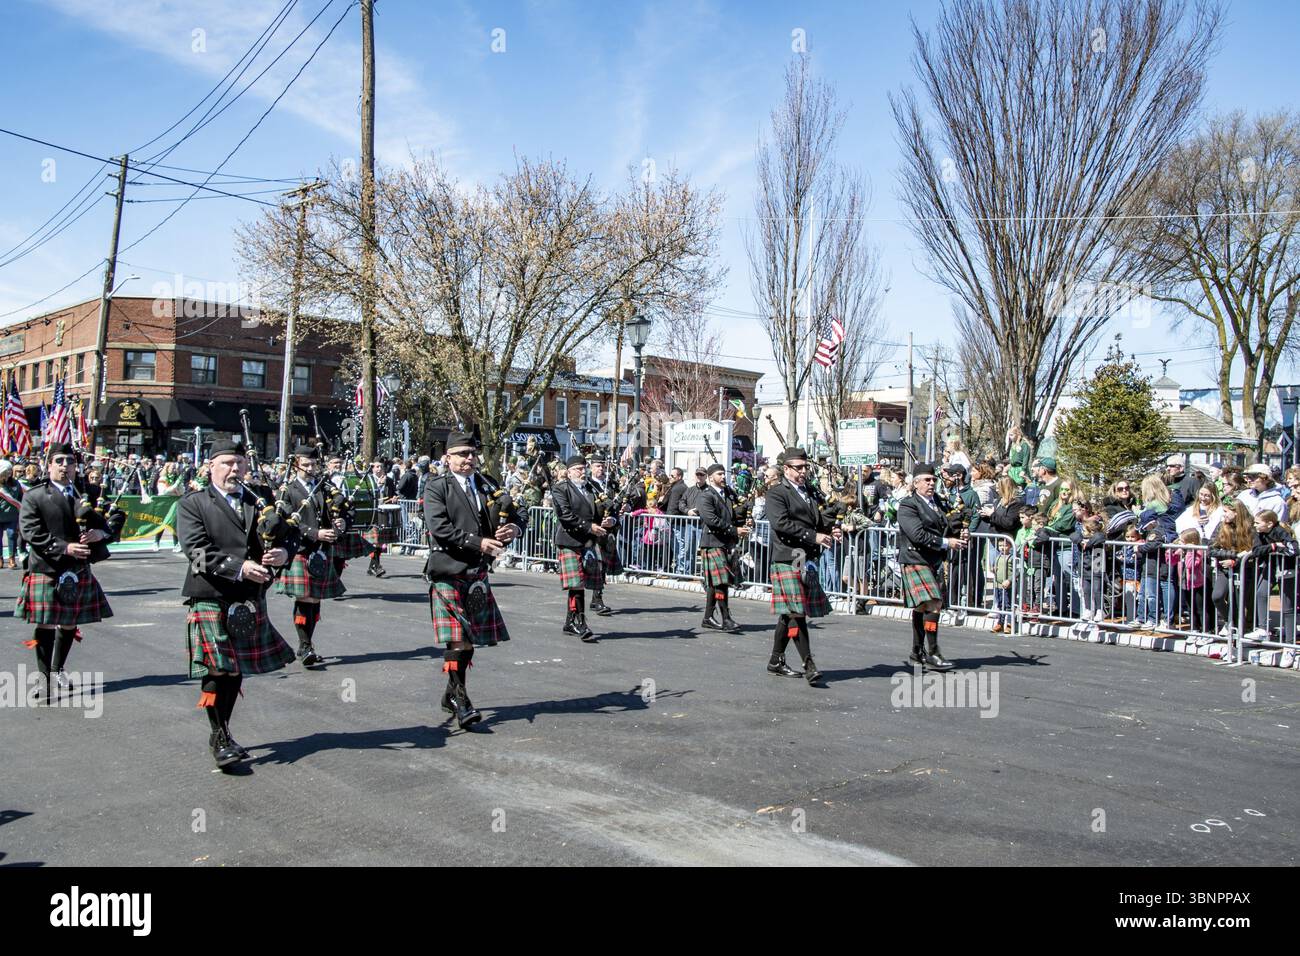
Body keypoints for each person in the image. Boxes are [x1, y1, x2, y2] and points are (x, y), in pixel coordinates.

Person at [178, 439, 296, 769]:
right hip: (211, 593)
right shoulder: (193, 503)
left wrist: (284, 554)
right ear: (210, 467)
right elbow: (196, 553)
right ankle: (219, 735)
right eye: (227, 463)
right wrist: (240, 567)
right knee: (220, 667)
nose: (235, 469)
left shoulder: (260, 500)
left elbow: (288, 534)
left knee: (235, 670)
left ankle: (224, 730)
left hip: (248, 597)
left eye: (239, 463)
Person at [422, 429, 523, 730]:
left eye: (472, 454)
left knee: (468, 644)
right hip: (447, 570)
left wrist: (513, 529)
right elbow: (440, 528)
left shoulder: (487, 485)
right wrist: (478, 542)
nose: (469, 459)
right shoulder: (436, 486)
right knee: (459, 639)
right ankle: (461, 700)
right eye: (462, 454)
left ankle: (451, 693)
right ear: (448, 457)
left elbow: (517, 515)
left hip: (476, 573)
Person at [15, 443, 118, 703]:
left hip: (78, 569)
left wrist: (101, 533)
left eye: (69, 461)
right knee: (47, 622)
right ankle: (43, 678)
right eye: (59, 461)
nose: (65, 466)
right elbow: (30, 531)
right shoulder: (35, 495)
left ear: (75, 466)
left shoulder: (90, 493)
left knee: (70, 622)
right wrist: (65, 548)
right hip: (48, 567)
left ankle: (57, 669)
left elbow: (115, 520)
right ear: (49, 465)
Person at [764, 447, 842, 685]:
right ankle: (809, 664)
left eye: (805, 467)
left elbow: (817, 520)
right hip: (788, 555)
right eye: (798, 467)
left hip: (804, 555)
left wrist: (829, 529)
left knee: (790, 612)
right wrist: (814, 536)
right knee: (797, 611)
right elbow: (781, 524)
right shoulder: (777, 493)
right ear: (786, 469)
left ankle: (776, 660)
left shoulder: (809, 491)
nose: (803, 471)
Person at [276, 451, 349, 666]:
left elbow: (338, 509)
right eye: (305, 464)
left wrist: (341, 522)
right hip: (300, 548)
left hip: (322, 549)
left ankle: (306, 644)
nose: (310, 468)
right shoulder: (288, 491)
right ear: (297, 465)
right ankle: (305, 645)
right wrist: (314, 533)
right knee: (305, 597)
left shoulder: (323, 487)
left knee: (315, 598)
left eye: (313, 464)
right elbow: (288, 520)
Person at [897, 462, 966, 669]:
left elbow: (946, 526)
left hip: (933, 560)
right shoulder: (908, 505)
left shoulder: (938, 502)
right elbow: (917, 535)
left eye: (933, 480)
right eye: (927, 480)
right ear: (916, 483)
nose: (931, 483)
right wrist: (947, 542)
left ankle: (916, 652)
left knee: (923, 606)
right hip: (915, 559)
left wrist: (959, 533)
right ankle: (933, 653)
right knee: (934, 603)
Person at [551, 456, 611, 641]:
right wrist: (589, 526)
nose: (582, 472)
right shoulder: (561, 489)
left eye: (584, 468)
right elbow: (565, 515)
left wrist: (610, 520)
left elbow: (605, 509)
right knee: (576, 583)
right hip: (569, 540)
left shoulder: (592, 488)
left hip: (588, 541)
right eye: (577, 469)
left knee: (580, 584)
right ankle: (579, 622)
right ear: (569, 472)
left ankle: (570, 622)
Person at [696, 463, 747, 632]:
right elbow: (711, 520)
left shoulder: (727, 494)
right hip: (712, 542)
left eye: (724, 474)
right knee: (721, 582)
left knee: (715, 583)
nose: (723, 477)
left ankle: (708, 617)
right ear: (711, 478)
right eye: (719, 474)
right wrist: (734, 530)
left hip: (725, 542)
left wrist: (744, 520)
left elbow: (736, 513)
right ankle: (726, 619)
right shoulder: (705, 496)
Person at [362, 460, 399, 576]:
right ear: (372, 468)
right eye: (376, 467)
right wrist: (379, 486)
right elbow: (367, 496)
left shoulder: (388, 480)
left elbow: (394, 493)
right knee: (376, 542)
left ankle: (372, 567)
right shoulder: (368, 480)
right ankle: (376, 567)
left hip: (383, 514)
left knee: (379, 542)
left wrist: (394, 498)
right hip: (372, 514)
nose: (378, 469)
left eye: (381, 467)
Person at [0, 460, 23, 569]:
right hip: (0, 514)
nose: (9, 473)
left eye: (10, 470)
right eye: (6, 471)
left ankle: (11, 558)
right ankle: (0, 559)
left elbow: (20, 497)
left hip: (12, 515)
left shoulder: (16, 483)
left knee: (12, 535)